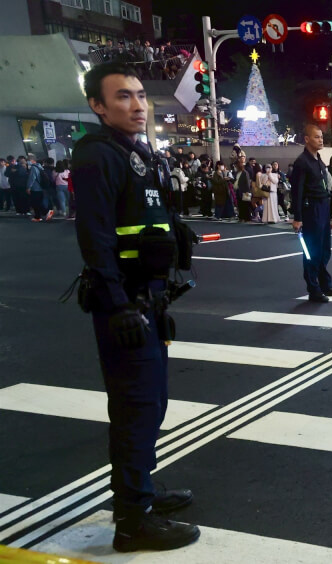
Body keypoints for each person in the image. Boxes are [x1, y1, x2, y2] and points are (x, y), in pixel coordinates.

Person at [71, 62, 200, 553]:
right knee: (135, 408)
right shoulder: (97, 155)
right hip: (124, 304)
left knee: (153, 405)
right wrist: (118, 303)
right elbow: (96, 236)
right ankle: (132, 521)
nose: (138, 104)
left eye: (141, 95)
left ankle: (141, 493)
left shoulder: (136, 151)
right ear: (98, 106)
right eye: (123, 96)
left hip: (148, 298)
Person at [290, 124, 332, 303]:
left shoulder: (319, 160)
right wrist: (297, 218)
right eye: (317, 137)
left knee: (324, 250)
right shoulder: (301, 162)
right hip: (310, 209)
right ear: (307, 139)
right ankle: (313, 289)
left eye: (321, 137)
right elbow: (296, 192)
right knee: (311, 252)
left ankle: (325, 284)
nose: (321, 140)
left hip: (322, 207)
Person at [27, 155, 53, 222]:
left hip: (35, 188)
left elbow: (32, 178)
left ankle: (38, 217)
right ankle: (46, 213)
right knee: (40, 202)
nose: (27, 161)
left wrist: (28, 187)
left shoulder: (33, 168)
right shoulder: (40, 166)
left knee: (36, 203)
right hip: (41, 187)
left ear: (32, 160)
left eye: (28, 160)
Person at [232, 155, 252, 222]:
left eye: (236, 166)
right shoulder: (237, 173)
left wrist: (247, 191)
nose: (235, 167)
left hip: (244, 191)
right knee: (240, 204)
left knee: (245, 205)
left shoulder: (245, 173)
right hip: (238, 190)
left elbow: (247, 183)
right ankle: (241, 217)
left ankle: (247, 218)